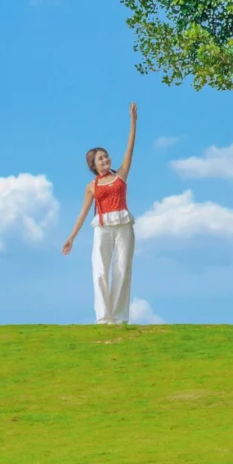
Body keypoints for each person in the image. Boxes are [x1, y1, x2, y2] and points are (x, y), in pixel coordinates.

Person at [62, 102, 138, 324]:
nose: (105, 160)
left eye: (106, 157)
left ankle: (120, 317)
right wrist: (71, 237)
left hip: (124, 226)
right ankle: (104, 318)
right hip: (103, 228)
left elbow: (130, 148)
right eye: (100, 159)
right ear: (93, 165)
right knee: (100, 272)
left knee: (122, 270)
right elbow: (83, 213)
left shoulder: (121, 174)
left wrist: (133, 122)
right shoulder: (91, 186)